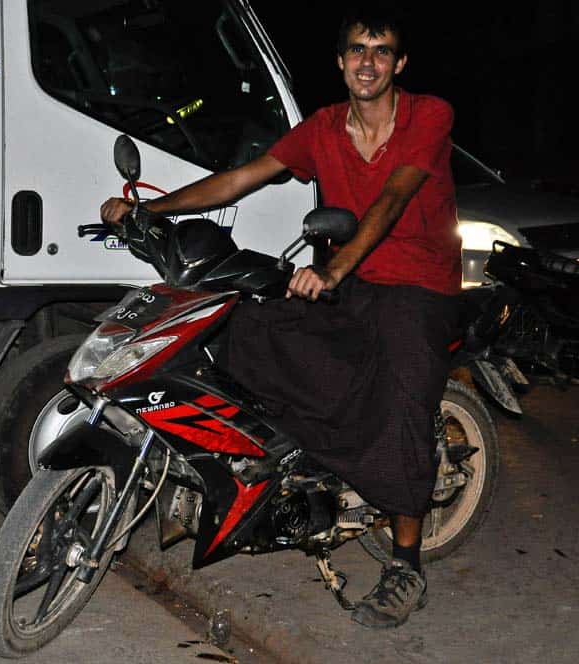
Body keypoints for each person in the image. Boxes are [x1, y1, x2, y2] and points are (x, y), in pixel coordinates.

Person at [101, 8, 461, 629]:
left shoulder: (429, 115)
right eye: (356, 50)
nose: (367, 62)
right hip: (351, 283)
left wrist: (335, 270)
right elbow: (241, 179)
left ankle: (406, 565)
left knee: (404, 404)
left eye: (381, 51)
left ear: (399, 64)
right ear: (341, 61)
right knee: (246, 332)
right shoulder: (322, 128)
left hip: (417, 288)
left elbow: (392, 199)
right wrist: (153, 210)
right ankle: (299, 465)